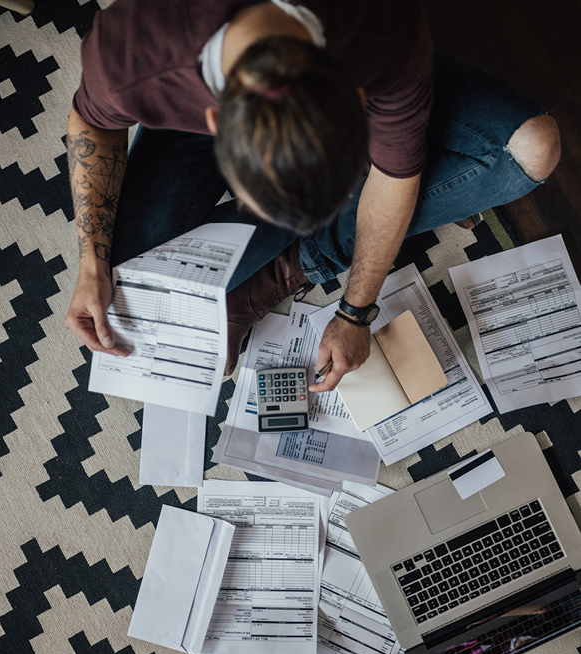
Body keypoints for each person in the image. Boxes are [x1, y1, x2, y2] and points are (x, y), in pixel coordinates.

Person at [64, 0, 560, 393]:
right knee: (129, 287)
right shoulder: (133, 52)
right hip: (198, 70)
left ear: (359, 99)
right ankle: (307, 242)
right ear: (214, 120)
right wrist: (92, 263)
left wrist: (355, 310)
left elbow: (395, 176)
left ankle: (295, 264)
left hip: (370, 51)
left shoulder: (382, 32)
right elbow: (90, 123)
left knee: (532, 150)